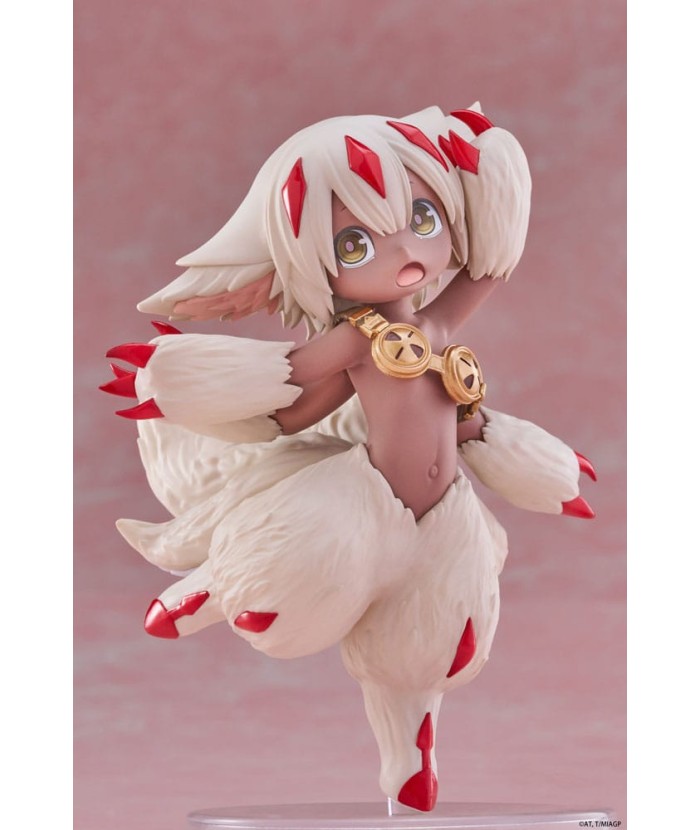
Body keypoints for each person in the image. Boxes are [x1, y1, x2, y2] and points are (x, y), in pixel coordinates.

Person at [102, 104, 595, 811]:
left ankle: (411, 755)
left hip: (441, 518)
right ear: (312, 262)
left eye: (423, 219)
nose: (405, 253)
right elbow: (295, 391)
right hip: (362, 502)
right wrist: (192, 387)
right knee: (295, 566)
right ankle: (212, 587)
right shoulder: (358, 338)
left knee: (432, 640)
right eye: (358, 244)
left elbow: (484, 276)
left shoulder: (436, 325)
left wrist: (495, 178)